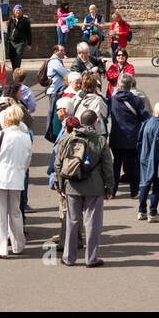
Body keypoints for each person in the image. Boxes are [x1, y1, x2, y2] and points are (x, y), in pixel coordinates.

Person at [57, 109, 114, 266]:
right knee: (92, 223)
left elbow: (58, 164)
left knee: (72, 221)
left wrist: (61, 185)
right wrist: (109, 187)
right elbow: (108, 166)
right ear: (95, 123)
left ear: (80, 121)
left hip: (72, 185)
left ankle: (69, 257)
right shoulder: (100, 141)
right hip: (94, 187)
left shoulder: (68, 138)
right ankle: (91, 258)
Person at [0, 103, 31, 258]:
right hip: (16, 177)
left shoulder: (2, 134)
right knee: (15, 212)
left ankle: (1, 248)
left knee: (0, 213)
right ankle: (18, 244)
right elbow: (27, 159)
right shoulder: (25, 137)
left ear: (7, 120)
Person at [108, 74, 147, 198]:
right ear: (131, 85)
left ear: (119, 85)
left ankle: (112, 192)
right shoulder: (136, 100)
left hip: (116, 135)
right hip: (133, 137)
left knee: (116, 164)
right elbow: (144, 117)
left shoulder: (113, 99)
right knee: (133, 165)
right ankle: (134, 192)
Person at [138, 102, 159, 222]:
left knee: (145, 184)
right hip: (157, 159)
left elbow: (139, 140)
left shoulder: (147, 123)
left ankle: (141, 211)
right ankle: (152, 212)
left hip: (145, 157)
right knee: (156, 186)